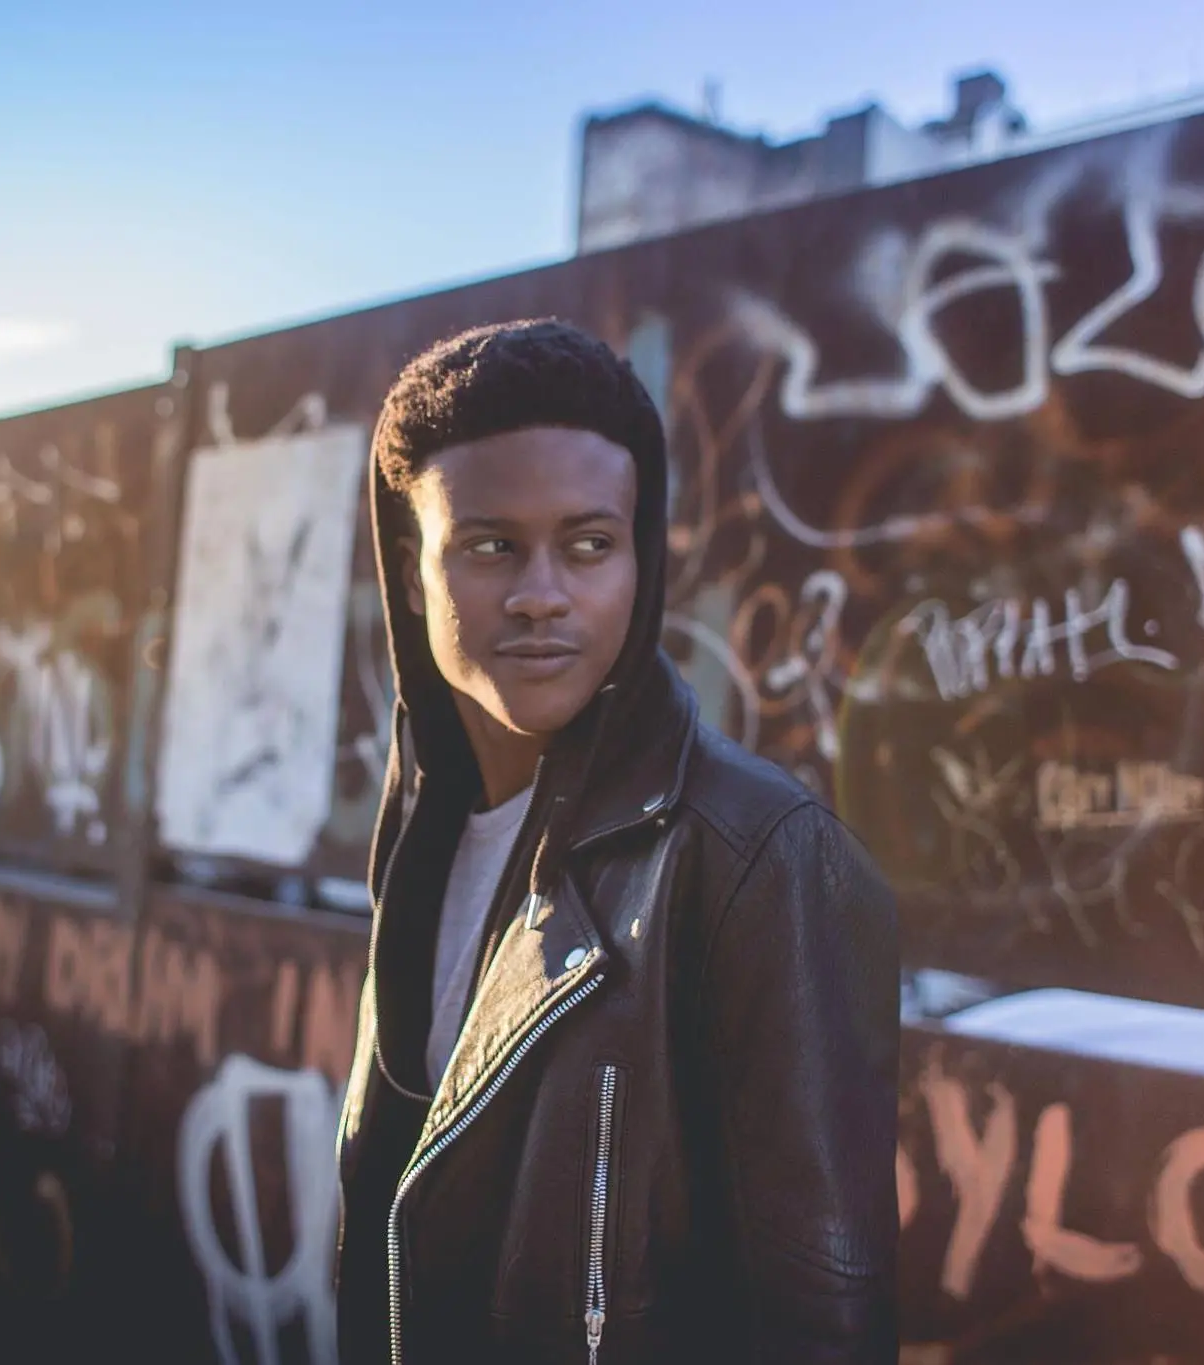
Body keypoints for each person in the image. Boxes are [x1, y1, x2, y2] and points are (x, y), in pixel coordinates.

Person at [335, 318, 900, 1364]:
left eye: (589, 544)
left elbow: (821, 1323)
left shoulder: (759, 857)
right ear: (413, 573)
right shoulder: (420, 836)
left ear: (639, 562)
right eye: (491, 545)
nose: (541, 594)